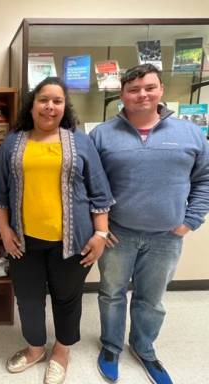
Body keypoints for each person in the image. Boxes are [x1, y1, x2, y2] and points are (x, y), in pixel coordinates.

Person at [0, 77, 114, 384]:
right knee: (28, 298)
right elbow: (0, 192)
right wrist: (4, 230)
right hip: (23, 240)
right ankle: (34, 349)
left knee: (66, 298)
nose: (50, 106)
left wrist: (100, 235)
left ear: (64, 107)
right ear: (32, 106)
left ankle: (61, 351)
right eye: (44, 100)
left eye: (57, 101)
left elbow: (99, 192)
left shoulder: (80, 142)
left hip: (73, 241)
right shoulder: (13, 143)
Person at [90, 64, 209, 384]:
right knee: (111, 293)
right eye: (133, 89)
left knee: (151, 299)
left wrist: (190, 221)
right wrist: (101, 227)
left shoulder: (190, 133)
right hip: (118, 235)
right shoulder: (101, 134)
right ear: (122, 94)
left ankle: (144, 348)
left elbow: (205, 180)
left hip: (167, 237)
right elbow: (90, 186)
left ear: (161, 91)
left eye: (149, 87)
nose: (142, 94)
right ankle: (111, 346)